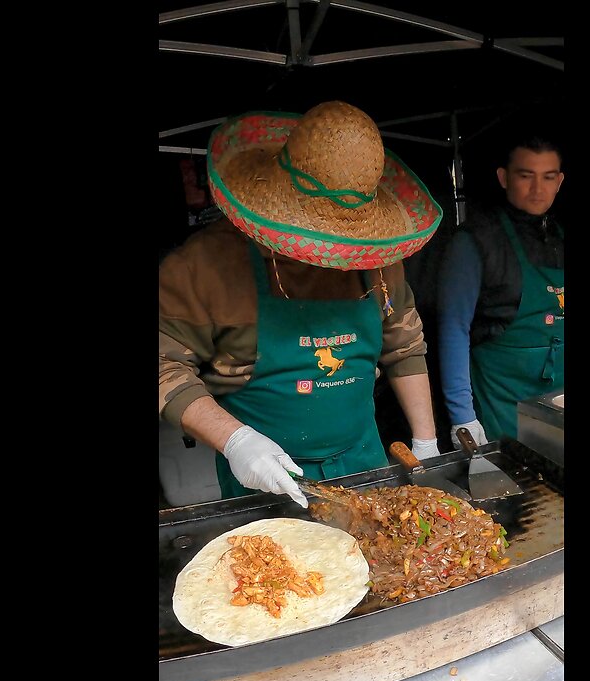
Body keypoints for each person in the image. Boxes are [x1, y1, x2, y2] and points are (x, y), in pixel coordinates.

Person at [159, 100, 444, 508]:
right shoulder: (203, 266)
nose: (330, 256)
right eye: (314, 237)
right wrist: (236, 441)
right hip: (267, 477)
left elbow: (405, 347)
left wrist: (426, 442)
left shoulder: (379, 259)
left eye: (342, 242)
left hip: (365, 460)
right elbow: (164, 363)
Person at [437, 131, 565, 446]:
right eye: (526, 176)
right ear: (504, 177)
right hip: (502, 402)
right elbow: (453, 329)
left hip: (557, 400)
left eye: (548, 177)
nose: (538, 189)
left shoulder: (559, 236)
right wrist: (462, 416)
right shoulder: (475, 241)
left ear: (560, 181)